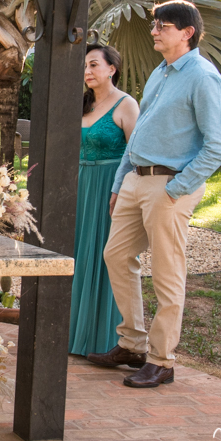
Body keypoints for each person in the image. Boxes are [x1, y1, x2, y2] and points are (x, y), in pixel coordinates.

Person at [88, 0, 221, 388]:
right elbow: (140, 135)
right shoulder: (160, 74)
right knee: (115, 255)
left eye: (162, 25)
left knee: (167, 273)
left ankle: (162, 360)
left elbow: (219, 145)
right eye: (154, 24)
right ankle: (132, 344)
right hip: (136, 178)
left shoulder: (203, 77)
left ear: (187, 32)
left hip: (170, 184)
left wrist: (177, 189)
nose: (154, 30)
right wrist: (121, 183)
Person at [69, 45, 139, 356]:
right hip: (81, 186)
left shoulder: (126, 105)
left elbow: (136, 155)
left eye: (94, 64)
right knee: (79, 253)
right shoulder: (80, 106)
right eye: (85, 66)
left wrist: (121, 190)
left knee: (106, 256)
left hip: (111, 189)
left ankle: (104, 338)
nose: (87, 71)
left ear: (112, 68)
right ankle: (74, 333)